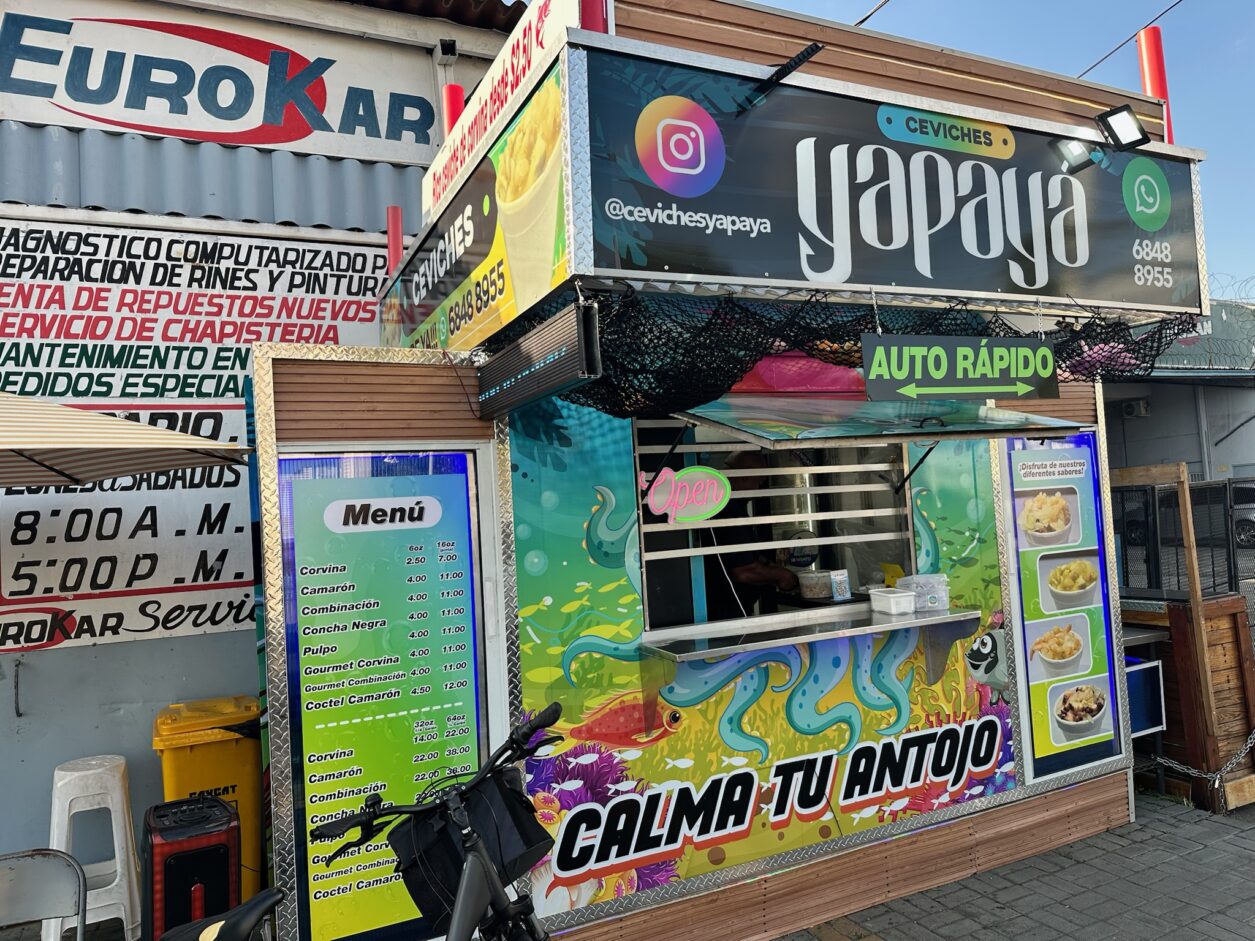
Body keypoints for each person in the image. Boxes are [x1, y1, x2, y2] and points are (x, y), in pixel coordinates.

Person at [703, 450, 799, 622]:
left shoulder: (717, 504)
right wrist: (783, 576)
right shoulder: (729, 511)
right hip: (726, 611)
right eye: (759, 482)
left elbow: (742, 554)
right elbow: (744, 571)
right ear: (743, 477)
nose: (759, 489)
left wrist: (768, 565)